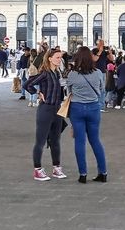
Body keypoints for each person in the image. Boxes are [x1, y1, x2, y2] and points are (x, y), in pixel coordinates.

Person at [66, 47, 108, 183]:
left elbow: (69, 90)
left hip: (77, 108)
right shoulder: (98, 73)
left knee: (80, 142)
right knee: (95, 140)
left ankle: (82, 174)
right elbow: (102, 90)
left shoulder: (72, 75)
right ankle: (103, 172)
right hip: (94, 108)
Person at [26, 47, 67, 181]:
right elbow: (27, 84)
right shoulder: (45, 73)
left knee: (56, 141)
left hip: (57, 110)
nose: (59, 59)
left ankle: (56, 168)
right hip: (46, 109)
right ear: (50, 58)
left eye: (60, 57)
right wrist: (37, 93)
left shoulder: (57, 73)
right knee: (41, 141)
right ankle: (37, 169)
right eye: (57, 57)